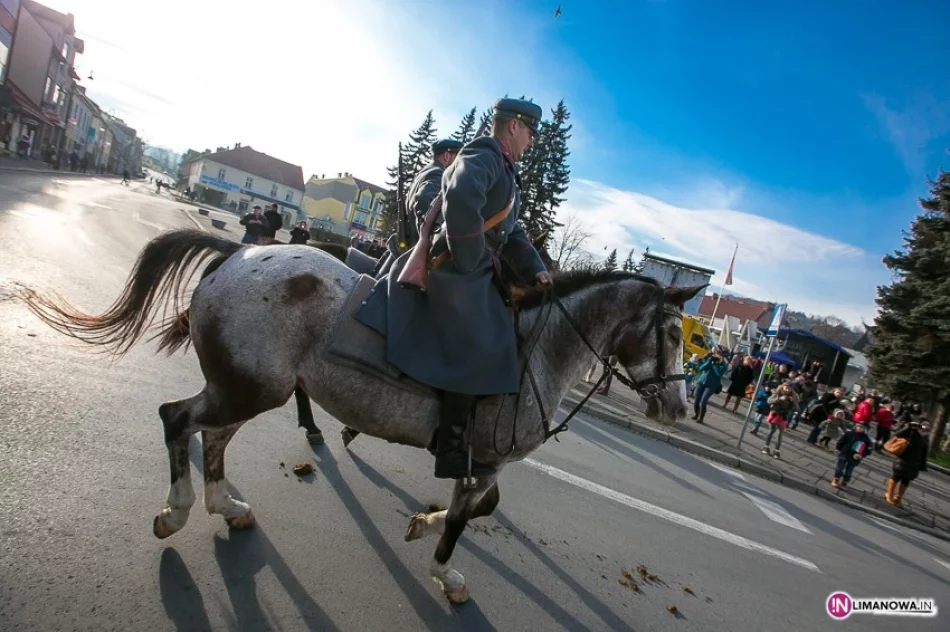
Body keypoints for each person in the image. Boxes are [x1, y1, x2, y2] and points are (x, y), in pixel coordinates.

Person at [356, 98, 552, 480]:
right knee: (485, 338)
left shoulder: (507, 170)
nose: (531, 141)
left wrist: (536, 269)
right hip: (455, 261)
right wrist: (470, 257)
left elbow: (510, 233)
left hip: (475, 261)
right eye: (529, 132)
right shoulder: (485, 152)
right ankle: (448, 447)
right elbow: (462, 196)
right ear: (513, 125)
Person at [375, 138, 463, 278]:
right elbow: (424, 199)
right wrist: (435, 232)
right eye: (458, 158)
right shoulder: (438, 174)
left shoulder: (426, 172)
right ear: (447, 156)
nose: (460, 165)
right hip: (415, 250)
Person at [885, 420, 929, 506]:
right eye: (924, 424)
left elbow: (925, 453)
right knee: (896, 477)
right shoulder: (911, 432)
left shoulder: (926, 437)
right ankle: (889, 495)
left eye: (928, 425)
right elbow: (896, 435)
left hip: (914, 464)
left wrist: (922, 465)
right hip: (903, 460)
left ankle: (898, 498)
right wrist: (908, 427)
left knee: (906, 480)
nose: (926, 427)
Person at [761, 383, 798, 458]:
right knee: (771, 431)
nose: (788, 389)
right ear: (783, 386)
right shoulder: (777, 392)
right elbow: (769, 401)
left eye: (790, 388)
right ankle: (766, 447)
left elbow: (797, 408)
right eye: (786, 387)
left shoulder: (793, 396)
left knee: (779, 434)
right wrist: (779, 399)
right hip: (775, 414)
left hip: (783, 416)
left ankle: (776, 451)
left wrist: (792, 402)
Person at [831, 422, 873, 489]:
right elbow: (841, 441)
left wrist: (862, 455)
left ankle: (844, 482)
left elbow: (869, 449)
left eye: (862, 427)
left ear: (865, 430)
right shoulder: (849, 433)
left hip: (855, 457)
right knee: (840, 468)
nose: (859, 428)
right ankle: (836, 479)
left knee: (849, 471)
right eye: (858, 426)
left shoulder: (866, 439)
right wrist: (838, 448)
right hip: (844, 453)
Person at [690, 352, 727, 424]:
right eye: (715, 355)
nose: (716, 357)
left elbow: (718, 373)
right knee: (696, 400)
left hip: (711, 385)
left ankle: (701, 418)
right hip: (701, 382)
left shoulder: (723, 366)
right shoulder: (709, 362)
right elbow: (701, 368)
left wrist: (715, 364)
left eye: (718, 356)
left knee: (704, 400)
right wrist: (709, 361)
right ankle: (696, 414)